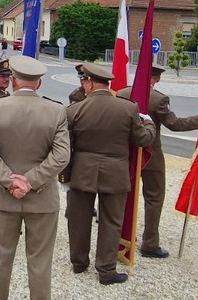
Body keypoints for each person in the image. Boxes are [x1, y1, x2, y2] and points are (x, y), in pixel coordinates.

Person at [0, 55, 70, 300]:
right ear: (38, 83)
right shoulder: (56, 110)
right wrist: (30, 181)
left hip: (3, 197)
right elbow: (62, 155)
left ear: (14, 81)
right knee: (40, 262)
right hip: (42, 198)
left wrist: (10, 181)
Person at [64, 62, 156, 285]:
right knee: (111, 221)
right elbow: (143, 139)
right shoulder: (128, 109)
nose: (82, 87)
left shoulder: (74, 110)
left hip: (82, 171)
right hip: (115, 171)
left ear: (91, 83)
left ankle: (79, 262)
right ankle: (106, 270)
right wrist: (150, 124)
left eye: (84, 82)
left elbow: (67, 148)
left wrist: (66, 178)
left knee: (78, 219)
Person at [116, 63, 198, 259]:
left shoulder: (121, 93)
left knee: (122, 194)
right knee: (154, 197)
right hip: (151, 153)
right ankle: (150, 243)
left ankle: (119, 236)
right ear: (156, 78)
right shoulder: (158, 99)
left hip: (125, 152)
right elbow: (175, 124)